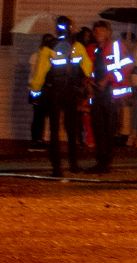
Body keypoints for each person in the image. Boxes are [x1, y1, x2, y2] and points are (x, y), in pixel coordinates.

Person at [29, 18, 92, 179]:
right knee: (71, 130)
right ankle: (73, 165)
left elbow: (40, 73)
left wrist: (35, 91)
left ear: (57, 30)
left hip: (54, 92)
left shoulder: (48, 48)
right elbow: (88, 67)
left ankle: (57, 168)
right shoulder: (77, 46)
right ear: (71, 29)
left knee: (55, 131)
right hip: (71, 92)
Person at [88, 19, 129, 174]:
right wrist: (89, 82)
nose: (99, 34)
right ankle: (100, 161)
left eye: (102, 31)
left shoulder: (116, 47)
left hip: (111, 93)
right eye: (96, 31)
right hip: (97, 93)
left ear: (108, 32)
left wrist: (108, 79)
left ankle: (106, 162)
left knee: (108, 129)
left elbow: (126, 66)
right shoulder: (92, 49)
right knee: (97, 128)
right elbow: (88, 69)